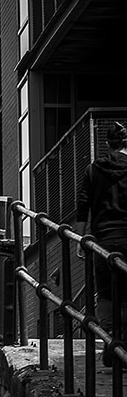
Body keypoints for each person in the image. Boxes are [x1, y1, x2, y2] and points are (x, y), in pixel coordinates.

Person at [77, 121, 127, 356]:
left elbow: (83, 204)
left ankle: (111, 345)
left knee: (106, 294)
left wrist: (81, 237)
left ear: (107, 144)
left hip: (103, 241)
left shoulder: (93, 170)